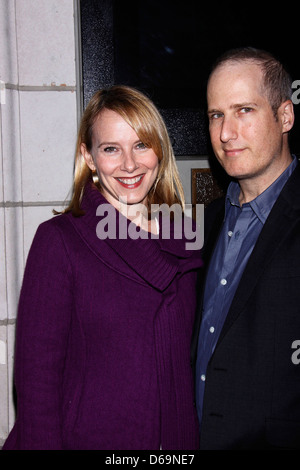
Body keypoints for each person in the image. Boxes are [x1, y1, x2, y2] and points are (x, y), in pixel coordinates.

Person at [3, 85, 202, 450]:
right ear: (89, 157)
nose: (129, 164)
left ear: (159, 150)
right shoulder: (60, 241)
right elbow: (36, 386)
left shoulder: (187, 238)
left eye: (141, 144)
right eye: (111, 148)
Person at [191, 47, 300, 449]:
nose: (225, 133)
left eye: (244, 111)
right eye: (216, 115)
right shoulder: (207, 221)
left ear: (285, 115)